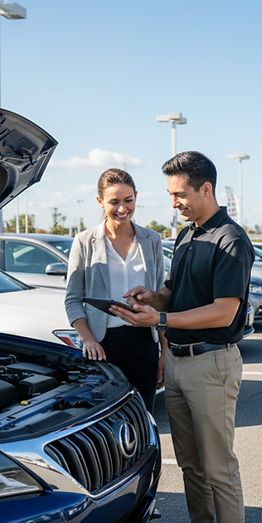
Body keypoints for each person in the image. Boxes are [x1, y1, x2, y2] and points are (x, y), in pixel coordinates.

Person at [113, 151, 253, 523]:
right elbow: (174, 292)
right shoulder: (187, 234)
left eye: (179, 195)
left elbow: (224, 311)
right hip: (177, 362)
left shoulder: (230, 240)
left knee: (218, 468)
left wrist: (160, 318)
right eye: (170, 195)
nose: (174, 203)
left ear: (205, 189)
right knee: (190, 464)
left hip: (211, 363)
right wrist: (152, 297)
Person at [64, 168, 166, 411]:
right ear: (100, 201)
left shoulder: (152, 240)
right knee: (105, 416)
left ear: (136, 197)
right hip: (102, 346)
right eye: (114, 202)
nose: (122, 208)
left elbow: (161, 299)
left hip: (144, 343)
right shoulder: (84, 241)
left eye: (128, 200)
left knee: (143, 413)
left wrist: (165, 351)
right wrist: (88, 340)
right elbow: (73, 299)